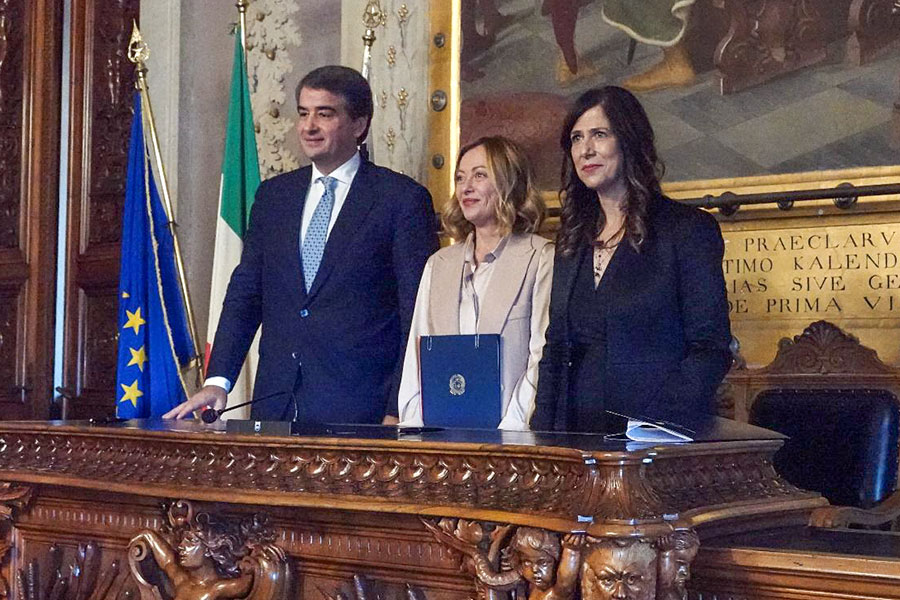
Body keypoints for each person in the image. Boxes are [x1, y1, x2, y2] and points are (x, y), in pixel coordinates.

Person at [165, 66, 439, 423]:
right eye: (303, 113)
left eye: (324, 114)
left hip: (361, 411)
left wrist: (398, 406)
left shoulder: (400, 199)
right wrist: (218, 381)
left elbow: (416, 313)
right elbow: (246, 293)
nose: (309, 126)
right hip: (276, 405)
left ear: (359, 125)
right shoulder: (274, 197)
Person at [530, 86, 731, 433]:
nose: (586, 149)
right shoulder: (572, 239)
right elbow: (555, 350)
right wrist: (541, 439)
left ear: (629, 140)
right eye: (576, 138)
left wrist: (654, 427)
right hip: (575, 438)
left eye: (599, 134)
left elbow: (710, 349)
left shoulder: (686, 229)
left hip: (653, 439)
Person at [395, 137, 553, 430]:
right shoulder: (439, 264)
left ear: (509, 182)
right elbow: (417, 359)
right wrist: (415, 430)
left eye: (479, 175)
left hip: (511, 435)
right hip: (442, 435)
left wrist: (511, 432)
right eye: (460, 178)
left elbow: (540, 356)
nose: (465, 187)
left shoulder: (539, 257)